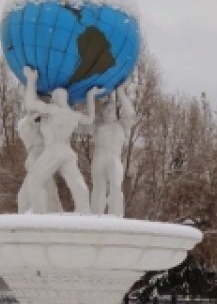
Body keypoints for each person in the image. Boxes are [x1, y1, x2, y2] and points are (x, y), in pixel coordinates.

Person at [21, 67, 97, 214]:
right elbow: (90, 119)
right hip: (67, 151)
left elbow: (30, 104)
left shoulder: (53, 110)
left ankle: (39, 213)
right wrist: (90, 96)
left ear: (55, 99)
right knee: (77, 183)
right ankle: (85, 211)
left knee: (35, 181)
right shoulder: (73, 115)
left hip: (54, 150)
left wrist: (31, 81)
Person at [89, 81, 136, 217]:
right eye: (105, 109)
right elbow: (83, 122)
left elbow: (131, 114)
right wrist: (90, 98)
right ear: (102, 112)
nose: (108, 112)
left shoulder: (121, 125)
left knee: (116, 186)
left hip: (114, 159)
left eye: (111, 109)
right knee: (99, 188)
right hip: (99, 158)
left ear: (115, 112)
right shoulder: (97, 124)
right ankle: (96, 216)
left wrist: (120, 92)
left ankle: (116, 216)